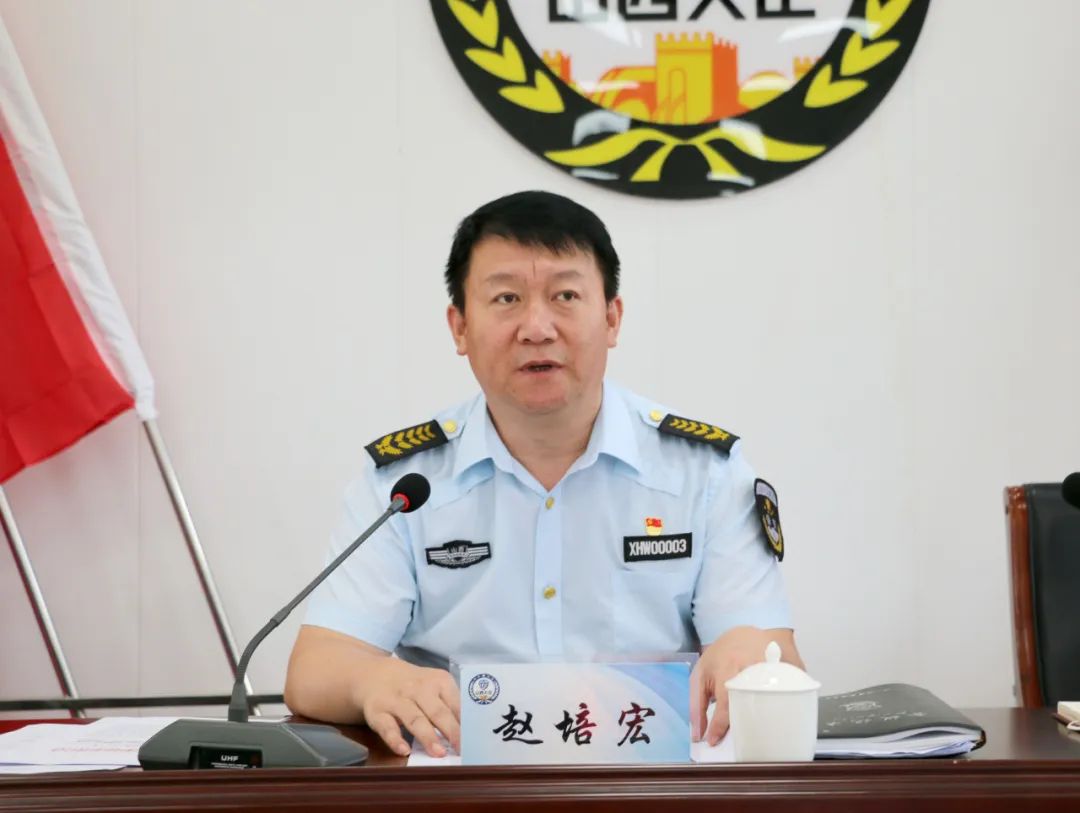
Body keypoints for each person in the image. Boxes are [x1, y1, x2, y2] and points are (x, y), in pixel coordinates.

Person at [284, 190, 803, 758]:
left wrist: (747, 650)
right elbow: (317, 667)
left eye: (565, 296)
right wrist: (372, 679)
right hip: (458, 789)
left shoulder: (703, 474)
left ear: (612, 318)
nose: (536, 327)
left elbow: (771, 652)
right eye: (506, 298)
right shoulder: (405, 485)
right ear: (459, 327)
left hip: (649, 786)